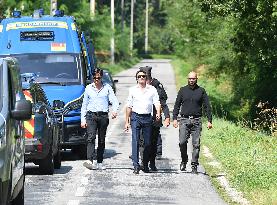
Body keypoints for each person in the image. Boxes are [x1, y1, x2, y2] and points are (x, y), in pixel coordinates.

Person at [173, 71, 212, 174]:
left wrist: (209, 120)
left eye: (193, 79)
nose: (191, 80)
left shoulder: (201, 91)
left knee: (196, 144)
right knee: (182, 142)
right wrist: (174, 119)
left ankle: (194, 165)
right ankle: (184, 160)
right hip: (184, 120)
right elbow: (177, 105)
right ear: (187, 79)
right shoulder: (182, 90)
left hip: (197, 121)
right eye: (190, 79)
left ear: (196, 79)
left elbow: (207, 106)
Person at [81, 68, 119, 170]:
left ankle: (100, 161)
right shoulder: (88, 88)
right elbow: (84, 105)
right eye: (94, 78)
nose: (96, 79)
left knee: (101, 140)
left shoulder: (107, 88)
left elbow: (114, 101)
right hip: (91, 115)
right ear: (92, 78)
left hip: (103, 116)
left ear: (101, 77)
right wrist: (83, 120)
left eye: (98, 78)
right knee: (91, 137)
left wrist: (114, 111)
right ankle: (90, 160)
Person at [125, 70, 161, 174]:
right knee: (135, 140)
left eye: (143, 76)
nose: (141, 77)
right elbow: (129, 106)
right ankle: (135, 166)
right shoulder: (132, 90)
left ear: (146, 78)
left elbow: (157, 102)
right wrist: (127, 121)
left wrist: (158, 113)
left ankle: (145, 164)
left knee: (148, 143)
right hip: (135, 117)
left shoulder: (152, 89)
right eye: (139, 76)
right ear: (136, 78)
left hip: (147, 118)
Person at [139, 66, 170, 171]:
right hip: (142, 119)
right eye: (141, 77)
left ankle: (152, 163)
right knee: (143, 142)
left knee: (152, 143)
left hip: (155, 121)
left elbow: (163, 104)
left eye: (144, 77)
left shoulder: (157, 89)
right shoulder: (140, 87)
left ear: (149, 78)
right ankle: (144, 163)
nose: (142, 80)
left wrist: (167, 117)